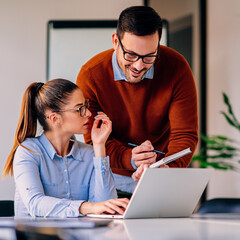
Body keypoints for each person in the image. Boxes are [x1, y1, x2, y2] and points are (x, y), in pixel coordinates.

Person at [76, 6, 198, 193]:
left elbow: (185, 135)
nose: (139, 66)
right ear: (116, 41)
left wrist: (167, 169)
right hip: (112, 176)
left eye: (150, 56)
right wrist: (130, 158)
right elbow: (94, 140)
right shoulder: (91, 76)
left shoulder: (177, 67)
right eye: (131, 55)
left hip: (163, 172)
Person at [3, 79, 129, 217]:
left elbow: (106, 208)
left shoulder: (89, 153)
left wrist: (99, 146)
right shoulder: (28, 151)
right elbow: (35, 204)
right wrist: (85, 207)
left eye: (86, 105)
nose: (88, 113)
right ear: (54, 118)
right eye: (80, 109)